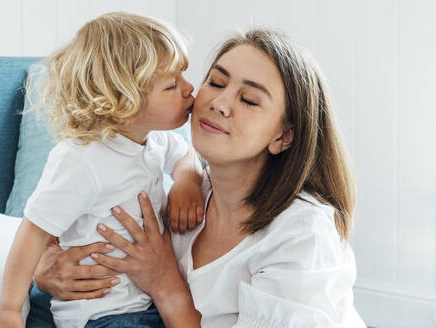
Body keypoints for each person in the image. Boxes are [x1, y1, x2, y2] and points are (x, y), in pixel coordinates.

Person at [28, 28, 366, 327]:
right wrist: (47, 271)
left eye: (248, 100)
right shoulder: (177, 195)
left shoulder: (303, 234)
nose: (219, 102)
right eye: (216, 82)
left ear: (284, 137)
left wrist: (165, 284)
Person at [0, 12, 205, 328]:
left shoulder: (157, 140)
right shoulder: (81, 160)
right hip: (101, 312)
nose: (191, 89)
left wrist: (187, 180)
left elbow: (185, 156)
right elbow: (33, 232)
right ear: (124, 102)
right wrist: (10, 310)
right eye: (172, 84)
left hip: (150, 304)